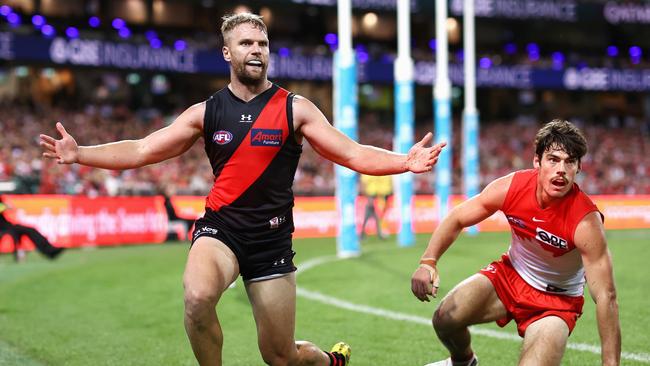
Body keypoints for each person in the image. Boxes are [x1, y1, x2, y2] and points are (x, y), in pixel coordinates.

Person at [40, 13, 446, 366]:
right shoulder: (207, 111)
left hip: (271, 240)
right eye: (246, 43)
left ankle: (329, 360)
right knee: (197, 298)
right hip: (221, 230)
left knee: (281, 356)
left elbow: (352, 153)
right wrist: (81, 154)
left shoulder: (295, 108)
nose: (256, 50)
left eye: (262, 43)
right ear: (227, 53)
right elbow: (144, 148)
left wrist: (403, 162)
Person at [411, 120, 620, 366]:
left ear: (578, 167)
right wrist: (428, 262)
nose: (561, 169)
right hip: (509, 277)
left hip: (556, 303)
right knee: (445, 320)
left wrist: (610, 363)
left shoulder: (586, 222)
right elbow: (458, 217)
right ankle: (463, 362)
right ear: (537, 162)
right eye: (553, 159)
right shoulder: (513, 187)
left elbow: (606, 296)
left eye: (569, 161)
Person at [0, 199, 64, 261]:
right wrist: (5, 206)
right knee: (27, 231)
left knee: (31, 230)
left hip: (7, 226)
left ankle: (49, 250)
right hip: (4, 227)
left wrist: (5, 206)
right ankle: (49, 251)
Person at [359, 174, 392, 239]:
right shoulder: (367, 173)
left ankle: (377, 233)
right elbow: (363, 184)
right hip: (371, 195)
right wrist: (366, 196)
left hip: (379, 195)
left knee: (375, 214)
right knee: (369, 214)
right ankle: (365, 233)